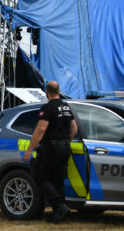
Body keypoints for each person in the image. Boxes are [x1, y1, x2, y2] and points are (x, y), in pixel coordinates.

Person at [23, 81, 78, 224]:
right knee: (57, 179)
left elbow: (40, 130)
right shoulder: (66, 106)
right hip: (65, 146)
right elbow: (74, 128)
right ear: (59, 91)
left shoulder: (48, 108)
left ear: (47, 92)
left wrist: (30, 149)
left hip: (52, 147)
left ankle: (59, 206)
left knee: (39, 175)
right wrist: (65, 141)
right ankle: (59, 213)